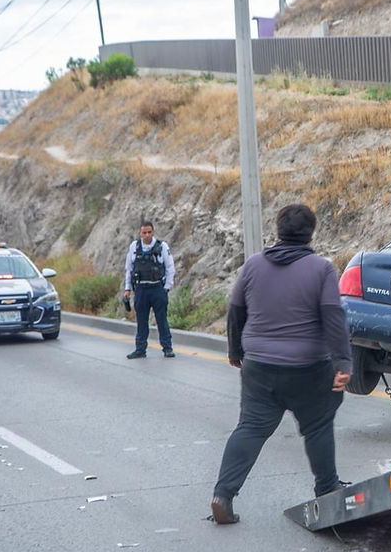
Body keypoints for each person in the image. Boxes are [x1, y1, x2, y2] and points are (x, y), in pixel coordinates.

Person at [210, 203, 352, 524]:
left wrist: (235, 350)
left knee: (250, 428)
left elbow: (235, 309)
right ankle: (327, 488)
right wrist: (343, 361)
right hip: (308, 369)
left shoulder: (253, 265)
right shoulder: (322, 269)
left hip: (259, 366)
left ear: (278, 230)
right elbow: (333, 316)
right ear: (311, 233)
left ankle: (223, 495)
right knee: (317, 425)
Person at [123, 221, 176, 358]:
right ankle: (140, 349)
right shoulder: (134, 247)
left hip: (157, 288)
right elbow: (129, 269)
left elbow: (170, 268)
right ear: (140, 233)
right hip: (141, 289)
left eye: (149, 232)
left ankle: (167, 348)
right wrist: (127, 289)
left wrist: (166, 288)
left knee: (161, 320)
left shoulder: (162, 246)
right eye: (144, 233)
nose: (147, 235)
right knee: (141, 321)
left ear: (153, 232)